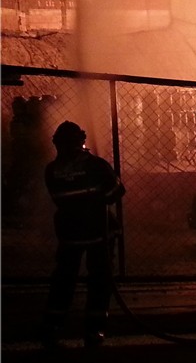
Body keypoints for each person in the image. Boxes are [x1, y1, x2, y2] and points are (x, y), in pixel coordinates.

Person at [41, 121, 125, 349]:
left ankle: (52, 328)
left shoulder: (52, 170)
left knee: (63, 281)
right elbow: (117, 191)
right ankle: (94, 331)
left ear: (57, 144)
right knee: (99, 281)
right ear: (81, 140)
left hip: (70, 234)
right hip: (99, 232)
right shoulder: (95, 165)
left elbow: (59, 199)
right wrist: (99, 192)